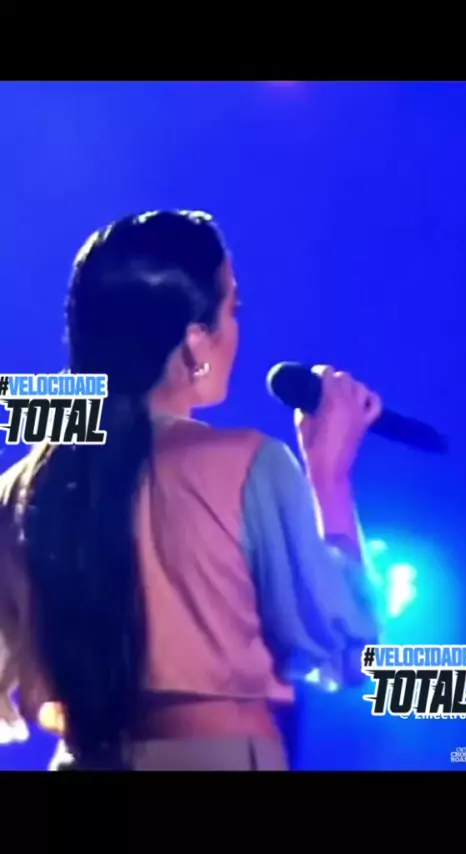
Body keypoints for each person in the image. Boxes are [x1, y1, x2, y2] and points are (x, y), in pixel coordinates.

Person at [0, 209, 381, 771]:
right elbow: (346, 644)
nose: (237, 330)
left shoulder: (20, 489)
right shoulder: (249, 465)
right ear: (196, 342)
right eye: (233, 308)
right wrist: (330, 475)